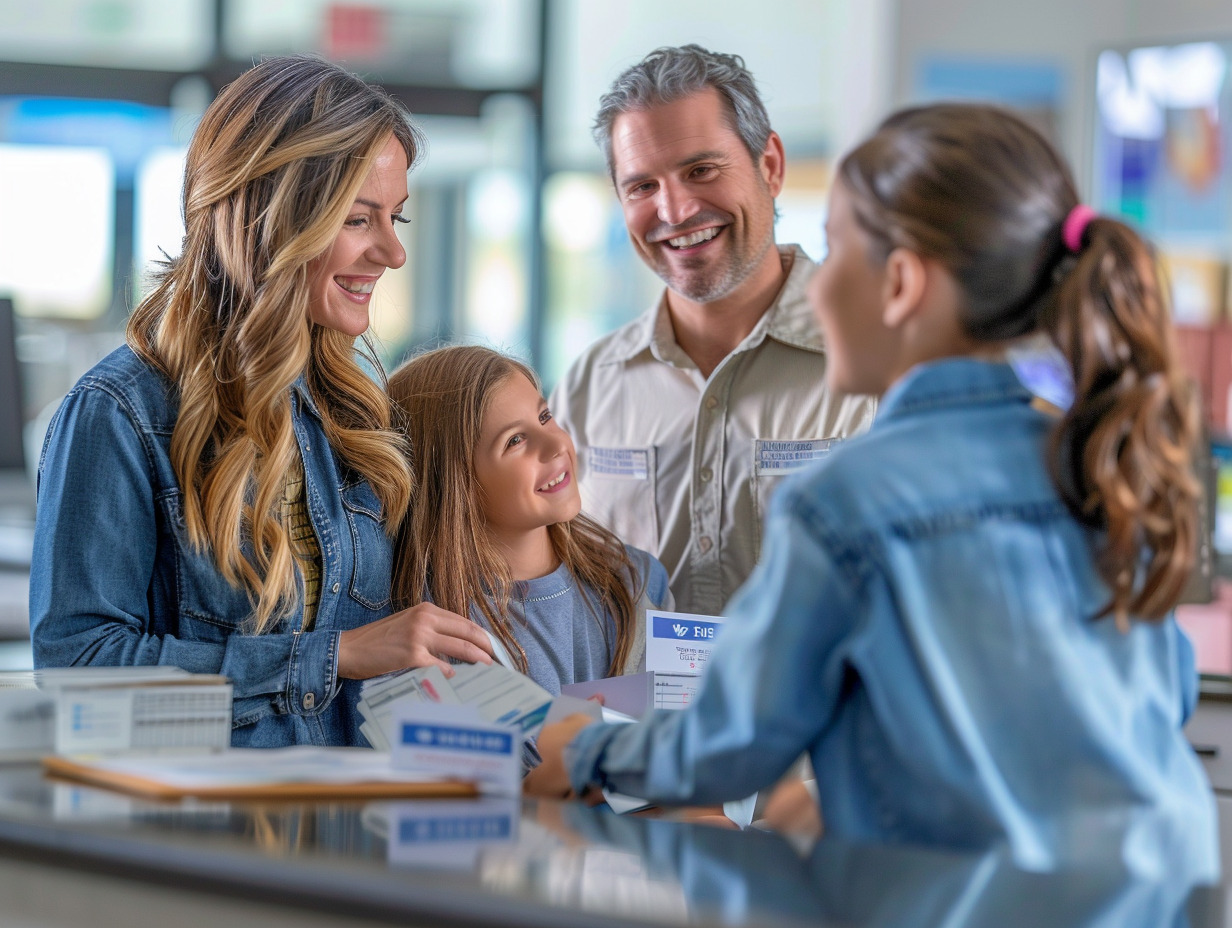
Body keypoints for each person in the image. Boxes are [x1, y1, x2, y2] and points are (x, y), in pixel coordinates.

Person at [527, 103, 1219, 877]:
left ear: (899, 284)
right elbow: (1162, 699)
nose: (816, 292)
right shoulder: (1098, 460)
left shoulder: (848, 501)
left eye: (835, 253)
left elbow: (729, 746)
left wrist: (583, 751)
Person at [29, 56, 493, 748]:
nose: (393, 253)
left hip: (349, 832)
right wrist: (333, 656)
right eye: (359, 219)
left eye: (396, 218)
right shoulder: (120, 413)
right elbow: (79, 667)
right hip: (209, 837)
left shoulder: (356, 419)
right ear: (271, 217)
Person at [550, 44, 876, 615]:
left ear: (770, 165)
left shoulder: (880, 357)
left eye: (701, 170)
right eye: (642, 186)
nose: (674, 211)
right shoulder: (588, 387)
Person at [386, 345, 672, 695]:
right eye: (515, 441)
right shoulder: (425, 630)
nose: (555, 446)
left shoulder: (639, 586)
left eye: (544, 416)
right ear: (453, 486)